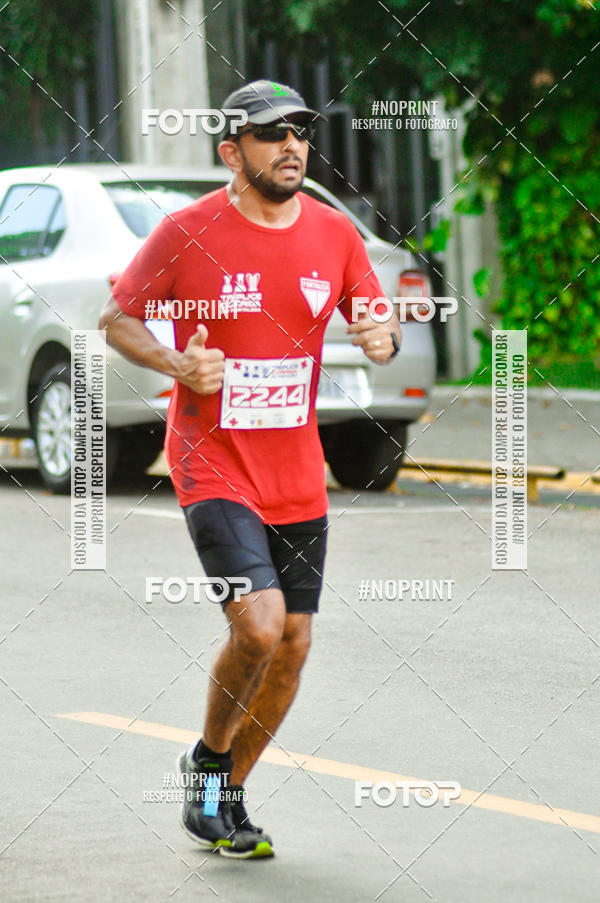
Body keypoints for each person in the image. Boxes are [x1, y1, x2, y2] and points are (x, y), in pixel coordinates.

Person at [99, 79, 401, 859]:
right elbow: (117, 318)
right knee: (259, 624)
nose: (292, 144)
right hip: (213, 463)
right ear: (232, 152)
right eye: (272, 133)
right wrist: (176, 363)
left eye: (301, 130)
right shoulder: (187, 232)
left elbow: (374, 315)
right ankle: (208, 760)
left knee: (293, 642)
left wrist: (382, 335)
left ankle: (223, 795)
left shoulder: (334, 233)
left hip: (296, 470)